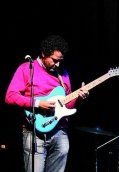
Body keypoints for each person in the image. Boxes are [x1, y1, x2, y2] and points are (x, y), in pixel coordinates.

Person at [5, 34, 89, 172]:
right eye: (54, 60)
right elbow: (10, 96)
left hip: (60, 132)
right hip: (35, 132)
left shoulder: (63, 74)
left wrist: (79, 98)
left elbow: (66, 106)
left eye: (60, 60)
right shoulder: (27, 69)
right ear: (44, 53)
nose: (58, 64)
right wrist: (38, 103)